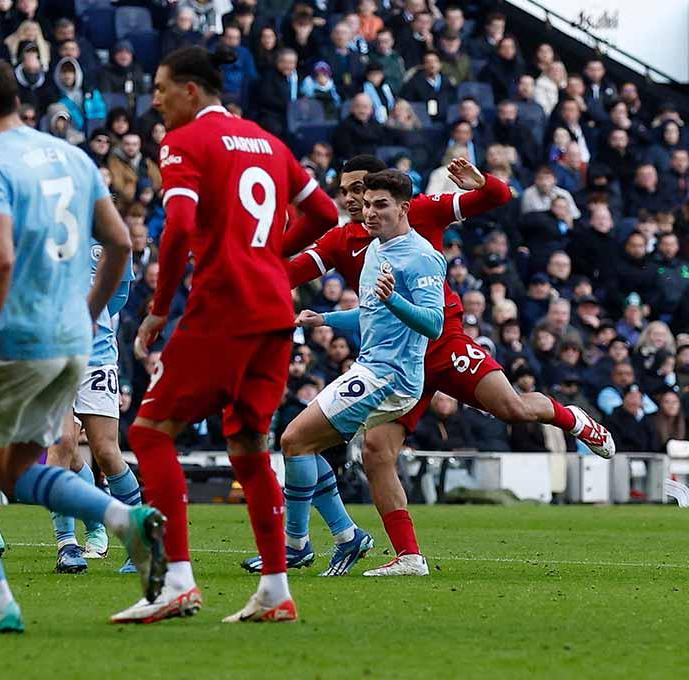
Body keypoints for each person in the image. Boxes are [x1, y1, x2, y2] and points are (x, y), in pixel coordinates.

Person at [248, 155, 615, 578]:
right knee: (376, 452)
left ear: (392, 198)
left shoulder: (420, 213)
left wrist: (481, 181)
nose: (356, 201)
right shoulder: (343, 240)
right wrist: (252, 267)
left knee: (511, 409)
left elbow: (496, 197)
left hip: (442, 345)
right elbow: (291, 274)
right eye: (348, 192)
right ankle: (408, 555)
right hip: (394, 359)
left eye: (363, 190)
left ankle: (573, 418)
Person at [0, 56, 160, 635]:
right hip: (72, 342)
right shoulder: (74, 158)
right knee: (13, 470)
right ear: (18, 99)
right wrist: (86, 314)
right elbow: (119, 245)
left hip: (20, 336)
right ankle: (125, 519)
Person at [120, 45, 336, 626]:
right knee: (246, 442)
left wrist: (160, 309)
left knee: (149, 433)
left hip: (224, 308)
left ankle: (175, 582)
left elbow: (180, 226)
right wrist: (267, 256)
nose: (155, 100)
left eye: (162, 88)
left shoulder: (185, 142)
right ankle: (275, 588)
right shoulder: (268, 142)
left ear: (192, 91)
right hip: (274, 312)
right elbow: (324, 215)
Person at [279, 168, 446, 579]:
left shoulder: (420, 256)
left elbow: (434, 323)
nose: (369, 212)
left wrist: (395, 302)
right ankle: (391, 550)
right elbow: (371, 314)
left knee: (294, 439)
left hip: (391, 376)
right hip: (373, 368)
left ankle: (300, 544)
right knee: (350, 453)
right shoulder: (377, 249)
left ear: (404, 208)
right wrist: (326, 319)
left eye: (380, 205)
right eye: (366, 204)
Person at [46, 213, 142, 574]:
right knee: (63, 444)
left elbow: (119, 295)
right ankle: (67, 544)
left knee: (106, 451)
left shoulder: (114, 240)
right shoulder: (43, 228)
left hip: (98, 355)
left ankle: (138, 539)